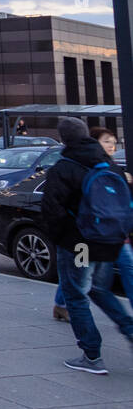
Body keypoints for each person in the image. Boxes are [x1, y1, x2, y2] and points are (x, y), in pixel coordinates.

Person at [43, 117, 133, 374]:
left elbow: (52, 210)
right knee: (99, 289)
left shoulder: (64, 167)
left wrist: (64, 239)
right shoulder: (109, 164)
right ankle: (130, 329)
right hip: (110, 241)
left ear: (63, 139)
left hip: (79, 245)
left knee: (75, 295)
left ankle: (91, 356)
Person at [52, 127, 128, 321]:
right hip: (84, 240)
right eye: (106, 141)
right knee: (81, 281)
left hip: (108, 235)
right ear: (93, 142)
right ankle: (65, 307)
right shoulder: (82, 166)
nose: (111, 145)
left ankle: (67, 306)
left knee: (86, 279)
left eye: (113, 141)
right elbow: (57, 205)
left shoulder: (109, 166)